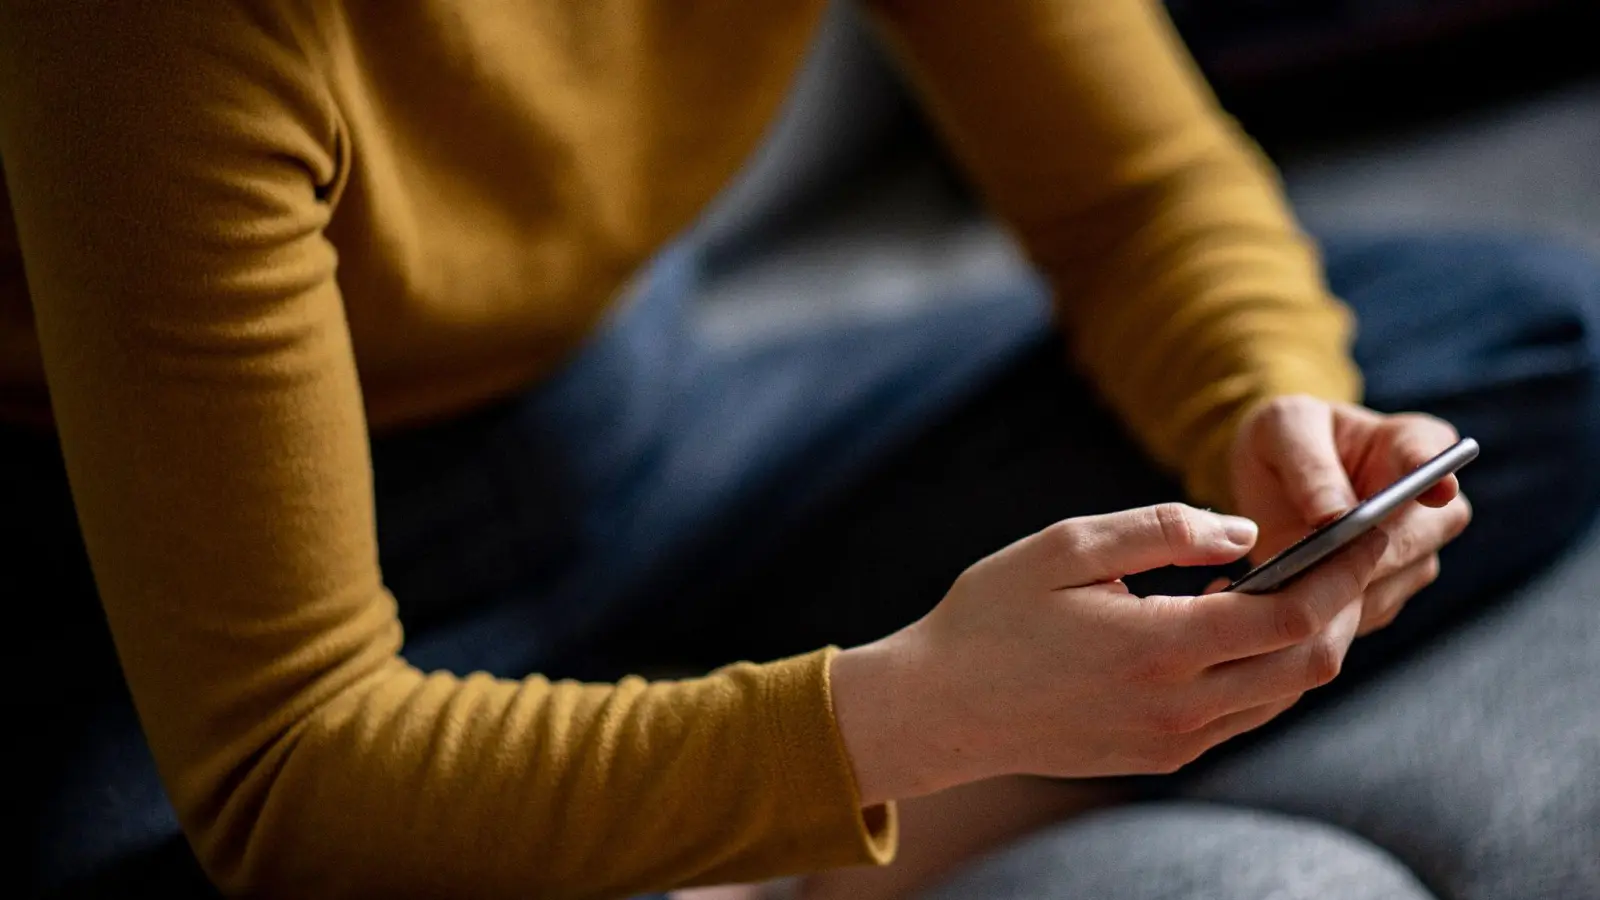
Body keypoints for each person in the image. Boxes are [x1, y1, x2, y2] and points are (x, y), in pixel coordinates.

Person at [2, 2, 1596, 899]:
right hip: (181, 593)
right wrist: (900, 714)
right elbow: (285, 765)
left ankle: (734, 844)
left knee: (1521, 348)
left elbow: (1138, 198)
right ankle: (711, 806)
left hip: (639, 431)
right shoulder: (159, 32)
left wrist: (1273, 421)